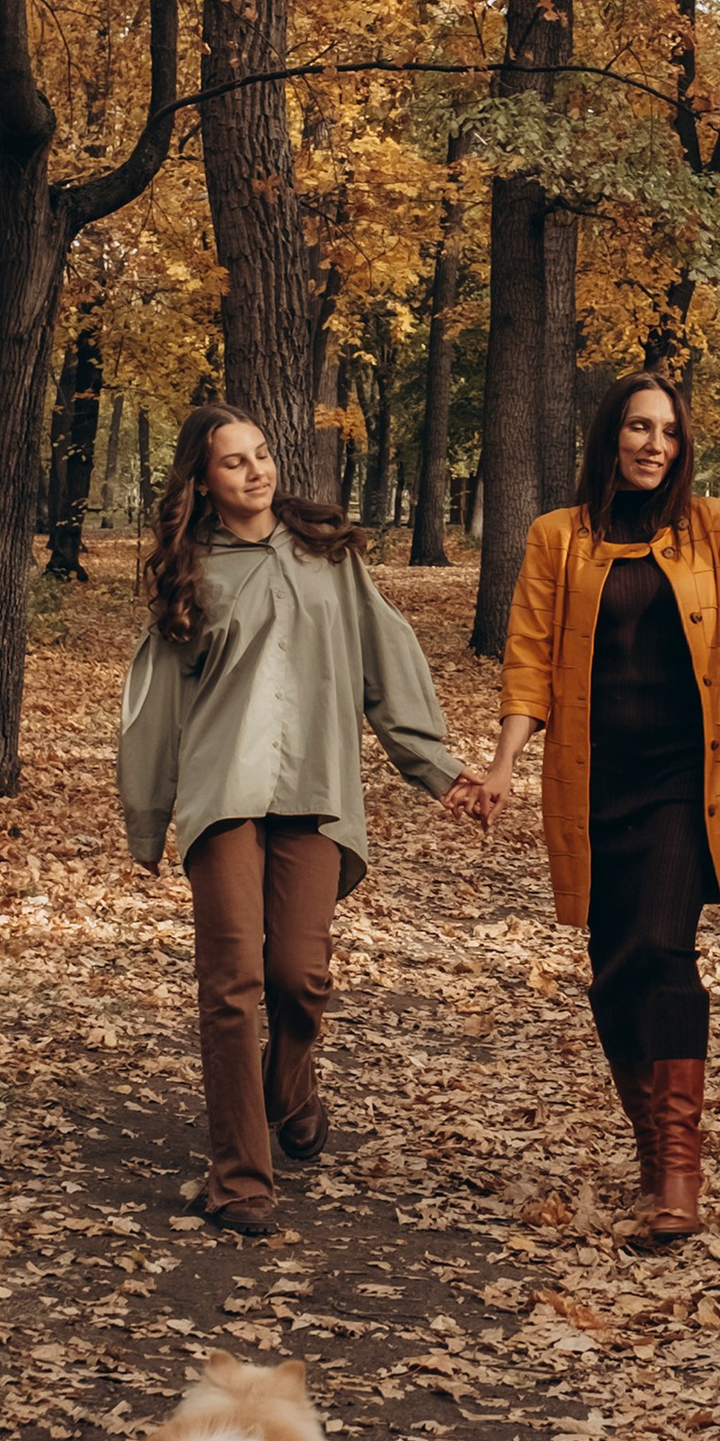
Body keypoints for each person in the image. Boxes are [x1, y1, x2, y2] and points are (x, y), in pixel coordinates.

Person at [120, 404, 475, 1241]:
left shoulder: (328, 557)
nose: (256, 471)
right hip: (224, 793)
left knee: (299, 975)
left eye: (262, 454)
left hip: (316, 788)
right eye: (233, 462)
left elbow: (385, 659)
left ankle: (293, 1085)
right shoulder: (191, 570)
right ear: (203, 483)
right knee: (232, 984)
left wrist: (439, 770)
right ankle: (240, 1175)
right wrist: (150, 817)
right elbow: (155, 703)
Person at [450, 373, 720, 1242]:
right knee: (612, 967)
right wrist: (504, 765)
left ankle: (676, 1171)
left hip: (684, 780)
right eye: (637, 427)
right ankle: (648, 1143)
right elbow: (528, 660)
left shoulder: (715, 530)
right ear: (610, 436)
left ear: (683, 445)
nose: (652, 445)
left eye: (668, 431)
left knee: (662, 948)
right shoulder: (559, 538)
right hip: (592, 782)